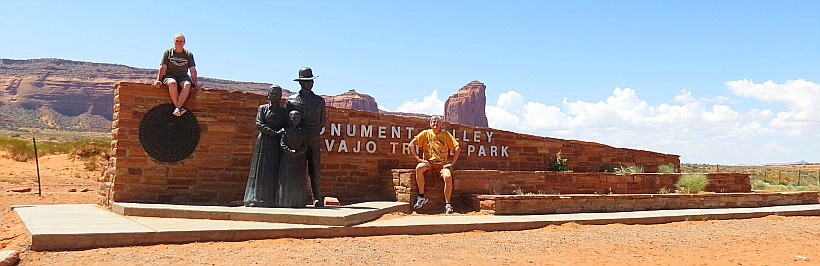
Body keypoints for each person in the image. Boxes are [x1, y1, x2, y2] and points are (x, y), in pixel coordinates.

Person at [285, 67, 327, 207]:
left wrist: (313, 130)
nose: (309, 84)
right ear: (300, 83)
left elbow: (322, 121)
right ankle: (297, 197)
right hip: (298, 137)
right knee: (298, 167)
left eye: (310, 81)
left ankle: (317, 197)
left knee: (315, 167)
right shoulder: (291, 101)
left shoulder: (319, 101)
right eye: (306, 81)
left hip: (314, 136)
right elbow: (288, 121)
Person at [243, 85, 289, 207]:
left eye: (277, 94)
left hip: (277, 144)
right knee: (261, 170)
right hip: (264, 142)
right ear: (268, 95)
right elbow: (259, 124)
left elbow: (287, 126)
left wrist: (281, 133)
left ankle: (274, 199)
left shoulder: (284, 112)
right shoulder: (262, 109)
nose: (274, 96)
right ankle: (256, 198)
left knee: (275, 170)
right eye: (272, 94)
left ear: (280, 97)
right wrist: (273, 132)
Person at [409, 115, 461, 214]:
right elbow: (411, 144)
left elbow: (457, 149)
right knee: (419, 168)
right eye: (433, 122)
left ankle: (448, 204)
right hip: (428, 163)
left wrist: (451, 163)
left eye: (437, 122)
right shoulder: (425, 133)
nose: (435, 124)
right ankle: (421, 196)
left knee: (448, 176)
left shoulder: (446, 135)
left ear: (441, 124)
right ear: (430, 124)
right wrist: (418, 159)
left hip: (442, 165)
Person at [153, 33, 198, 116]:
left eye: (181, 41)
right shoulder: (168, 53)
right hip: (169, 75)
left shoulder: (188, 54)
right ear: (174, 42)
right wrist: (158, 80)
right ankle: (179, 108)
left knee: (187, 84)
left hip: (183, 76)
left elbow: (192, 70)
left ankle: (177, 108)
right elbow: (163, 67)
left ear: (184, 42)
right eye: (177, 40)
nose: (179, 42)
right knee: (172, 83)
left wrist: (195, 83)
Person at [275, 110, 309, 208]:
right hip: (287, 158)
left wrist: (298, 152)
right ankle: (284, 201)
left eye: (298, 118)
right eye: (294, 118)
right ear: (290, 119)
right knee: (285, 179)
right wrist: (290, 151)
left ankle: (298, 202)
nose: (296, 120)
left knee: (298, 180)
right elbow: (282, 143)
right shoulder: (285, 131)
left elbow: (305, 145)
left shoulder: (303, 132)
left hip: (299, 159)